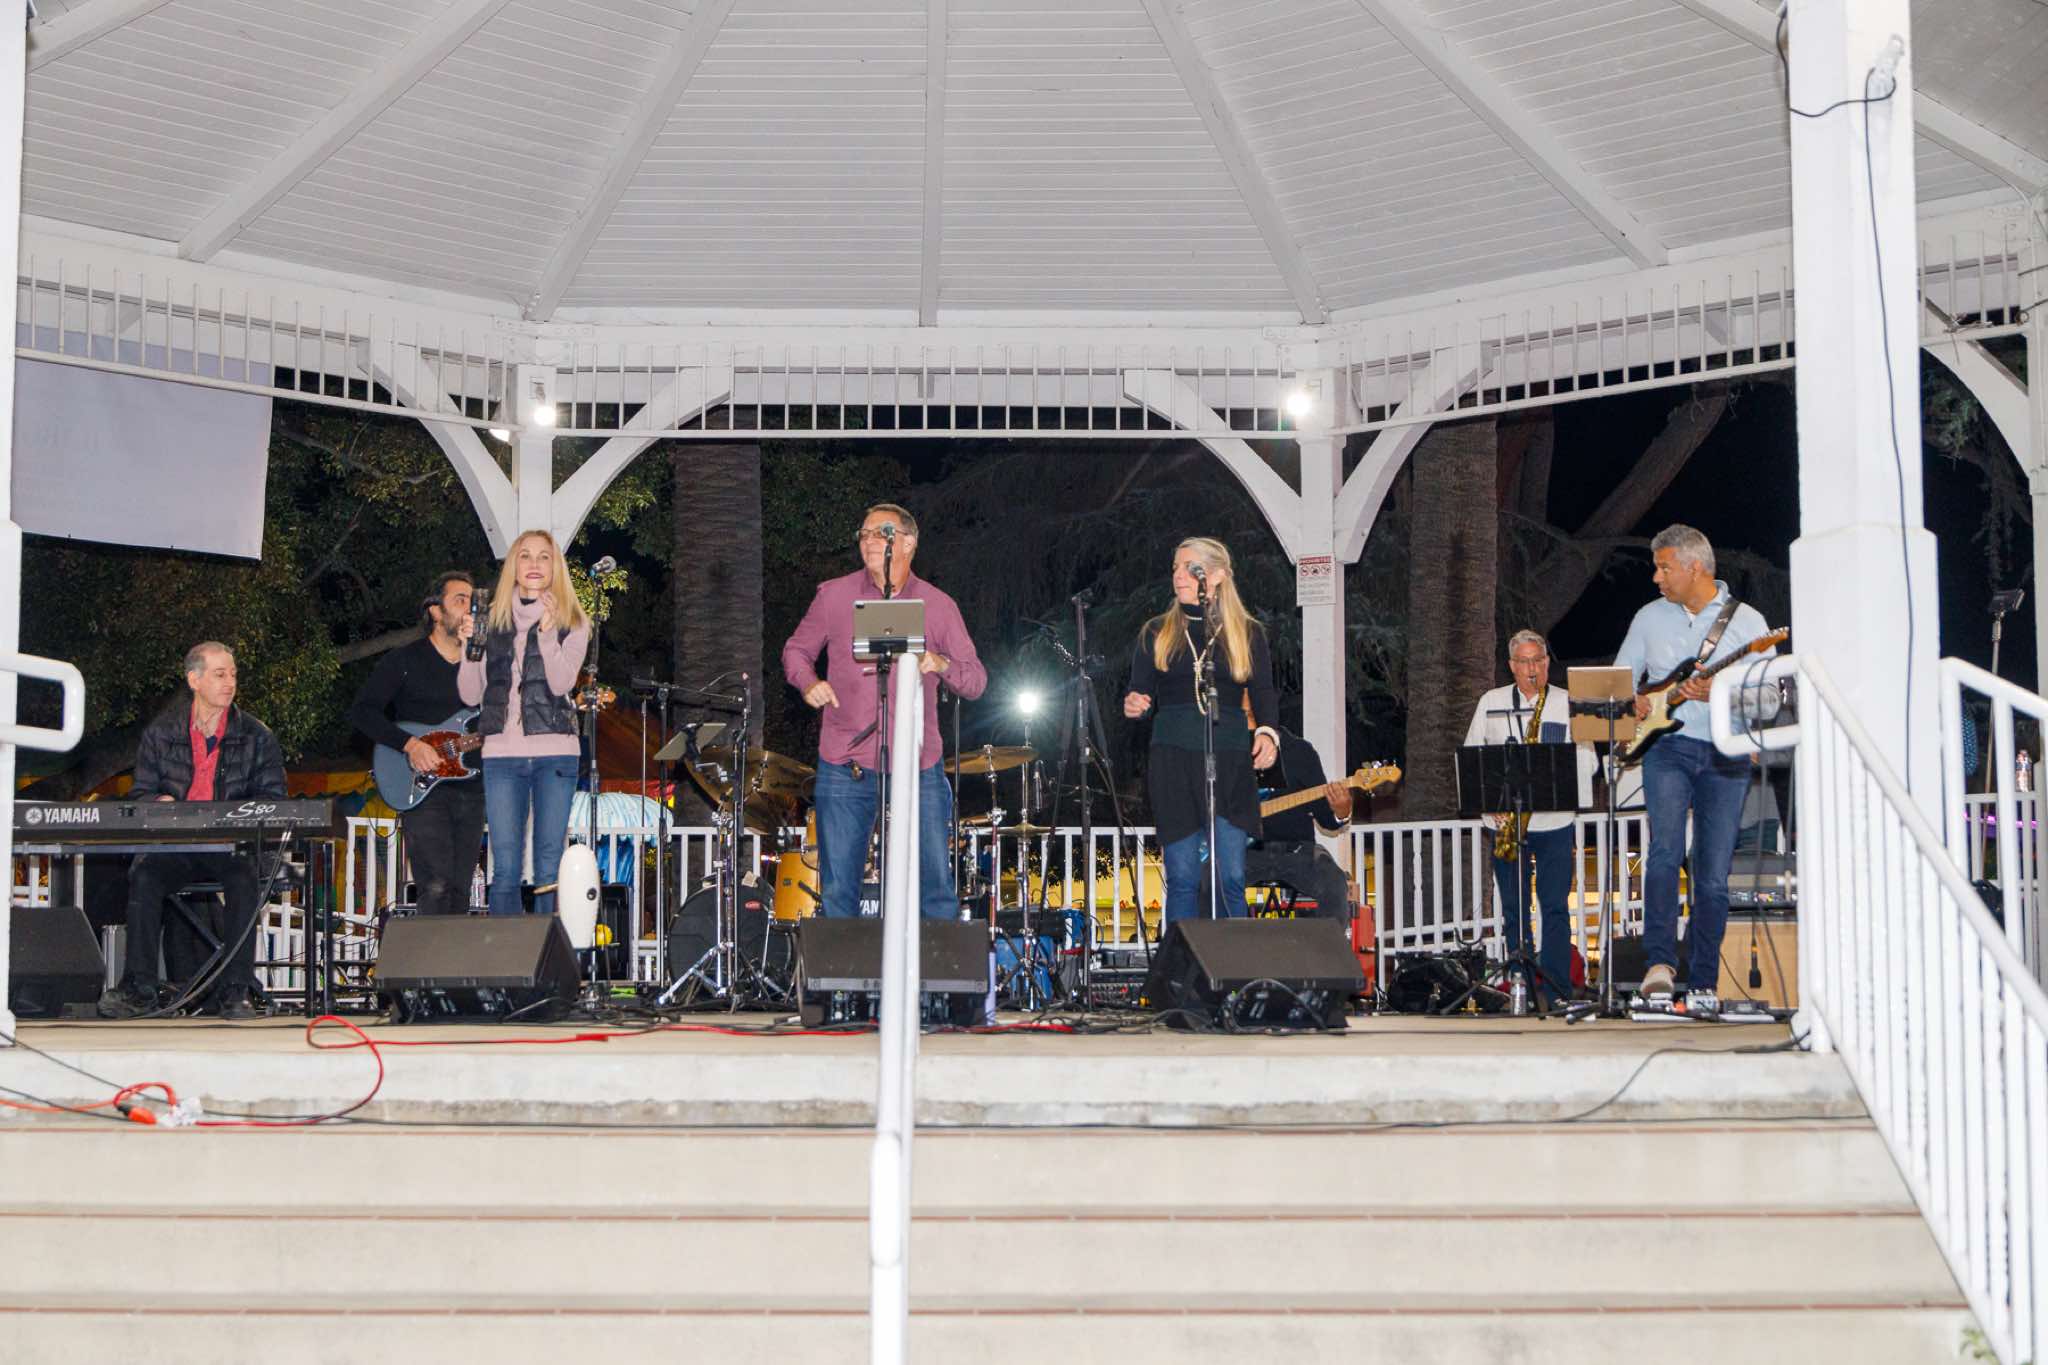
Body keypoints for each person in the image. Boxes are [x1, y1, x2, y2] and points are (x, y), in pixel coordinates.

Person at [782, 502, 987, 919]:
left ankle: (933, 965)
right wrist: (808, 682)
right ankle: (842, 966)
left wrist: (941, 663)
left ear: (908, 543)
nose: (869, 540)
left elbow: (976, 680)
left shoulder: (937, 605)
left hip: (918, 763)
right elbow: (796, 651)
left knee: (936, 888)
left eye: (882, 533)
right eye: (864, 533)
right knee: (838, 892)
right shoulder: (834, 596)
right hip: (845, 762)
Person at [1616, 524, 1777, 1000]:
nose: (1656, 577)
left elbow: (1770, 698)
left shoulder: (1749, 622)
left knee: (1712, 874)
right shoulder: (1648, 618)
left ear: (1694, 567)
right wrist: (1631, 701)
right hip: (1667, 747)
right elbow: (1619, 681)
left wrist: (1722, 692)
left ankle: (1704, 980)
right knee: (1664, 852)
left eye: (1664, 568)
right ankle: (1659, 964)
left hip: (1728, 754)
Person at [98, 643, 287, 1020]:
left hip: (231, 847)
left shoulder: (257, 735)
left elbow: (273, 800)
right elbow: (140, 793)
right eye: (220, 674)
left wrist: (237, 816)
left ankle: (236, 990)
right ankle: (139, 988)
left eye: (233, 674)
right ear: (194, 680)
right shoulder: (161, 733)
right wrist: (159, 801)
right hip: (177, 846)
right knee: (145, 875)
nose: (230, 682)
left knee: (243, 878)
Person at [1123, 537, 1279, 924]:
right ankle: (1181, 962)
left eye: (1190, 568)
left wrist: (1267, 733)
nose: (1178, 575)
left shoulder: (1247, 632)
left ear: (1218, 575)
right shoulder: (1156, 631)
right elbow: (1138, 690)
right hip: (1172, 759)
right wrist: (1135, 703)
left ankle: (1233, 961)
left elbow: (1262, 691)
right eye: (1175, 568)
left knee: (1231, 877)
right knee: (1182, 878)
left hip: (1229, 758)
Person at [458, 530, 590, 918]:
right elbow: (470, 694)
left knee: (549, 862)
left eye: (543, 556)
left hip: (556, 753)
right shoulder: (491, 619)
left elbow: (561, 684)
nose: (534, 564)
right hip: (501, 754)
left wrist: (547, 635)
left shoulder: (574, 621)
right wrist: (469, 649)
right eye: (525, 555)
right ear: (513, 566)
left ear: (555, 567)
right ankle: (505, 952)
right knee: (505, 866)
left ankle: (548, 952)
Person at [1462, 629, 1597, 1008]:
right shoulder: (1491, 702)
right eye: (1524, 662)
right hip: (1506, 823)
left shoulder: (1567, 703)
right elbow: (1473, 759)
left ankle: (1557, 991)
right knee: (1513, 909)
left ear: (1547, 662)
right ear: (1512, 666)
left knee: (1555, 907)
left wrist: (1560, 770)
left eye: (1538, 660)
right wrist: (1488, 804)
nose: (1532, 668)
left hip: (1554, 822)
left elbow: (1589, 761)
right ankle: (1520, 986)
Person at [349, 571, 487, 916]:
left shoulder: (483, 665)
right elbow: (362, 712)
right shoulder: (404, 660)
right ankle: (429, 952)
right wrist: (410, 745)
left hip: (473, 788)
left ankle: (451, 953)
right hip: (423, 787)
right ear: (435, 611)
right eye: (460, 600)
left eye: (473, 602)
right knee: (436, 885)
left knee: (460, 889)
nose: (469, 608)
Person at [1244, 725, 1355, 921]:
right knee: (1206, 880)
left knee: (1333, 883)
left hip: (1298, 853)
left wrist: (1342, 811)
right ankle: (1225, 940)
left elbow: (1326, 820)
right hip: (1244, 853)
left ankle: (1327, 942)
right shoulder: (1227, 751)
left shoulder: (1300, 751)